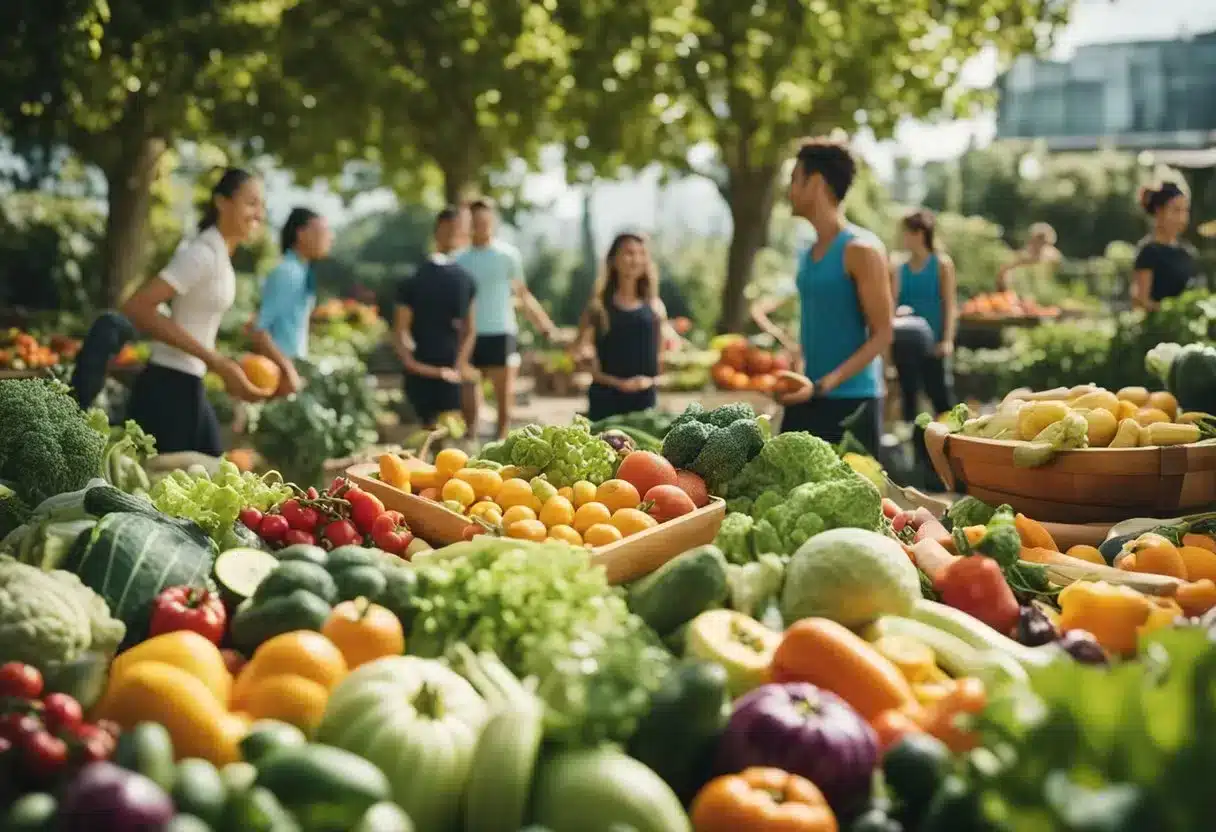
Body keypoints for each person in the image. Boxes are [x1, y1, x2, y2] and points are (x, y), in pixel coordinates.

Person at [753, 137, 894, 453]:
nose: (789, 191)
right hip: (808, 395)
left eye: (794, 180)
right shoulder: (808, 252)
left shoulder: (861, 250)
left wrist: (824, 385)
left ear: (815, 183)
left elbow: (883, 333)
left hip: (851, 401)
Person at [120, 168, 267, 456]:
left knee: (215, 476)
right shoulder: (202, 253)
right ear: (222, 202)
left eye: (262, 206)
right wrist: (217, 363)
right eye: (251, 203)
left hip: (187, 383)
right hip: (168, 387)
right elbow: (138, 307)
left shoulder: (220, 254)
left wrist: (227, 364)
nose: (259, 213)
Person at [457, 198, 558, 440]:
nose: (480, 225)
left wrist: (543, 323)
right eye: (475, 221)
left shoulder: (507, 255)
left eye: (485, 220)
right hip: (469, 335)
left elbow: (522, 295)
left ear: (492, 221)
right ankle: (469, 444)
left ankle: (501, 443)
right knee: (469, 394)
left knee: (504, 397)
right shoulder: (458, 260)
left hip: (501, 331)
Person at [394, 206, 477, 428]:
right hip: (421, 372)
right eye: (448, 228)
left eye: (458, 229)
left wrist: (458, 366)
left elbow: (470, 329)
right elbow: (401, 329)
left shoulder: (466, 280)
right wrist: (411, 362)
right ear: (437, 231)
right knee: (422, 441)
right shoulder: (414, 279)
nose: (453, 233)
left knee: (449, 441)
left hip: (450, 373)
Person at [574, 232, 667, 422]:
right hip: (606, 403)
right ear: (613, 261)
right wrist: (617, 382)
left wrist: (650, 382)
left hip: (644, 403)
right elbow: (578, 352)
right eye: (629, 253)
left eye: (641, 253)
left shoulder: (655, 307)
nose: (635, 259)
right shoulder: (598, 308)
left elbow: (660, 360)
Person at [251, 208, 334, 394]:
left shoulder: (301, 271)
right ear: (301, 234)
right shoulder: (288, 273)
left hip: (289, 371)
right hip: (276, 375)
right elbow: (258, 330)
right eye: (323, 231)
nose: (330, 237)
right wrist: (288, 370)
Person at [890, 209, 957, 423]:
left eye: (906, 233)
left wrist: (946, 340)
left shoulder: (941, 264)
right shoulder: (899, 267)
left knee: (940, 399)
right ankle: (915, 452)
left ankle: (952, 445)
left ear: (919, 234)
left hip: (934, 344)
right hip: (906, 345)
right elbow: (891, 305)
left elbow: (950, 305)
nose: (903, 238)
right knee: (910, 399)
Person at [1131, 180, 1196, 311]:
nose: (1182, 218)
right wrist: (1171, 311)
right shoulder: (1149, 251)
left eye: (1185, 211)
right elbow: (1140, 301)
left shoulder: (1187, 251)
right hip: (1158, 329)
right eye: (1176, 210)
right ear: (1159, 211)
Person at [996, 222, 1060, 293]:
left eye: (1043, 240)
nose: (1039, 244)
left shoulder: (1053, 257)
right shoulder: (1020, 256)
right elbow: (1004, 275)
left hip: (1046, 295)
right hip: (1020, 295)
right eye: (1038, 239)